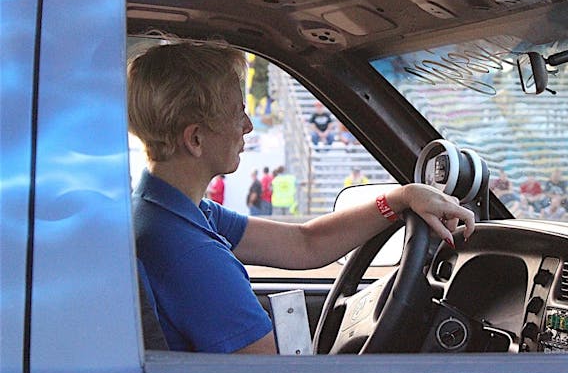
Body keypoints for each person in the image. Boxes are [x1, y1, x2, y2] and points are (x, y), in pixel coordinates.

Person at [129, 42, 475, 354]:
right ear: (196, 139)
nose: (248, 125)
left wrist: (400, 198)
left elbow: (304, 243)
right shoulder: (191, 254)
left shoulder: (164, 210)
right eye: (238, 112)